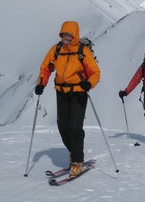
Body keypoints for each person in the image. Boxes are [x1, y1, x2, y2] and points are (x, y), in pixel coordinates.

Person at [35, 21, 100, 177]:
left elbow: (95, 72)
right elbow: (45, 67)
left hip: (79, 92)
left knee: (75, 127)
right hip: (61, 92)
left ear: (75, 35)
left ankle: (77, 160)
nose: (66, 38)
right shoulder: (56, 50)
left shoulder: (82, 50)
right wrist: (41, 84)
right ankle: (74, 151)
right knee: (63, 127)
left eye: (69, 35)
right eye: (64, 34)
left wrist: (88, 84)